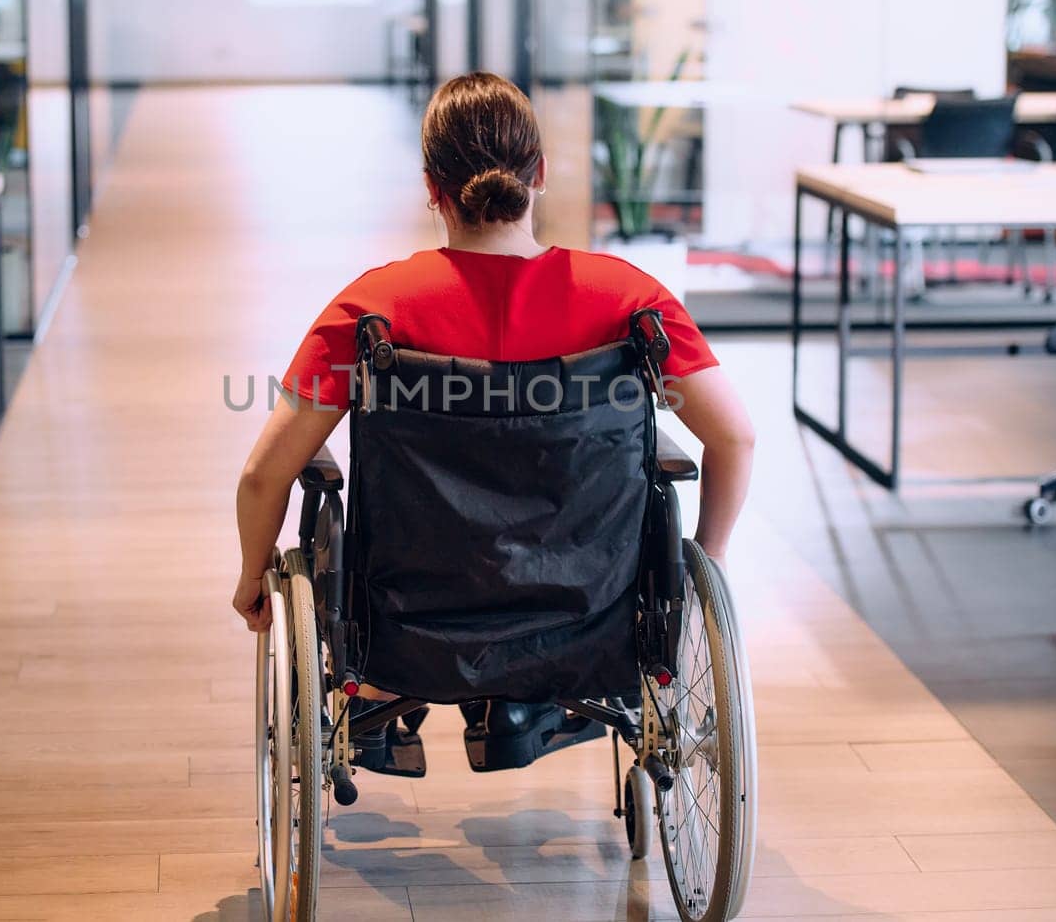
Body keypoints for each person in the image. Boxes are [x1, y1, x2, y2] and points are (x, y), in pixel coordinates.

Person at [232, 71, 755, 773]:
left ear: (431, 186)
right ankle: (521, 704)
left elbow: (265, 473)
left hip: (412, 627)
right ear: (539, 173)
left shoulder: (376, 311)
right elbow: (734, 436)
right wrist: (710, 555)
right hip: (589, 623)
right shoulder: (628, 303)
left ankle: (386, 700)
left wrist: (249, 576)